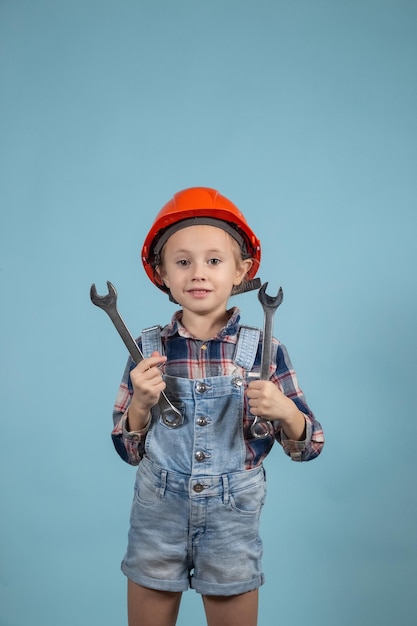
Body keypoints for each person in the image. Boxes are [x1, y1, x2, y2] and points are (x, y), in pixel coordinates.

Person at [111, 187, 324, 626]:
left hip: (232, 519)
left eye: (214, 260)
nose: (198, 273)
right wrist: (141, 406)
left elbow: (310, 445)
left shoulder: (266, 349)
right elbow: (128, 450)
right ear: (161, 273)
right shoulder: (145, 350)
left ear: (241, 270)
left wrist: (284, 411)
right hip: (158, 514)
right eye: (183, 261)